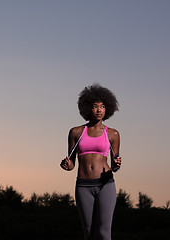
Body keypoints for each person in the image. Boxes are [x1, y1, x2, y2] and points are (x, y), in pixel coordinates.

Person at [60, 83, 122, 240]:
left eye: (102, 106)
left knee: (104, 233)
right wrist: (67, 165)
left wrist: (116, 165)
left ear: (107, 108)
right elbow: (72, 163)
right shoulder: (76, 132)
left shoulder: (113, 134)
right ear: (88, 108)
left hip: (105, 184)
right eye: (95, 106)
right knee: (89, 233)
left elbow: (115, 165)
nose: (99, 110)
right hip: (83, 186)